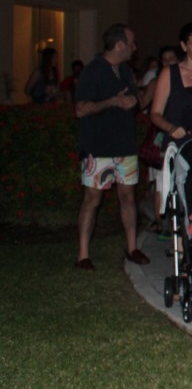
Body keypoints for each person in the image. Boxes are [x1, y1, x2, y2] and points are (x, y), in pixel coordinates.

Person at [74, 23, 150, 270]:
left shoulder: (126, 71)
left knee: (128, 197)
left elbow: (135, 102)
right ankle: (83, 255)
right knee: (92, 199)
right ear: (120, 45)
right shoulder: (92, 71)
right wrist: (113, 101)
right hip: (98, 148)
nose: (134, 48)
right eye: (131, 43)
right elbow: (81, 109)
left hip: (125, 147)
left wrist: (138, 98)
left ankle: (132, 248)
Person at [148, 24, 192, 234]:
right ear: (184, 46)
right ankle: (183, 250)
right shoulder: (170, 73)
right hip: (179, 145)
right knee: (182, 199)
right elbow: (155, 113)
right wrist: (170, 127)